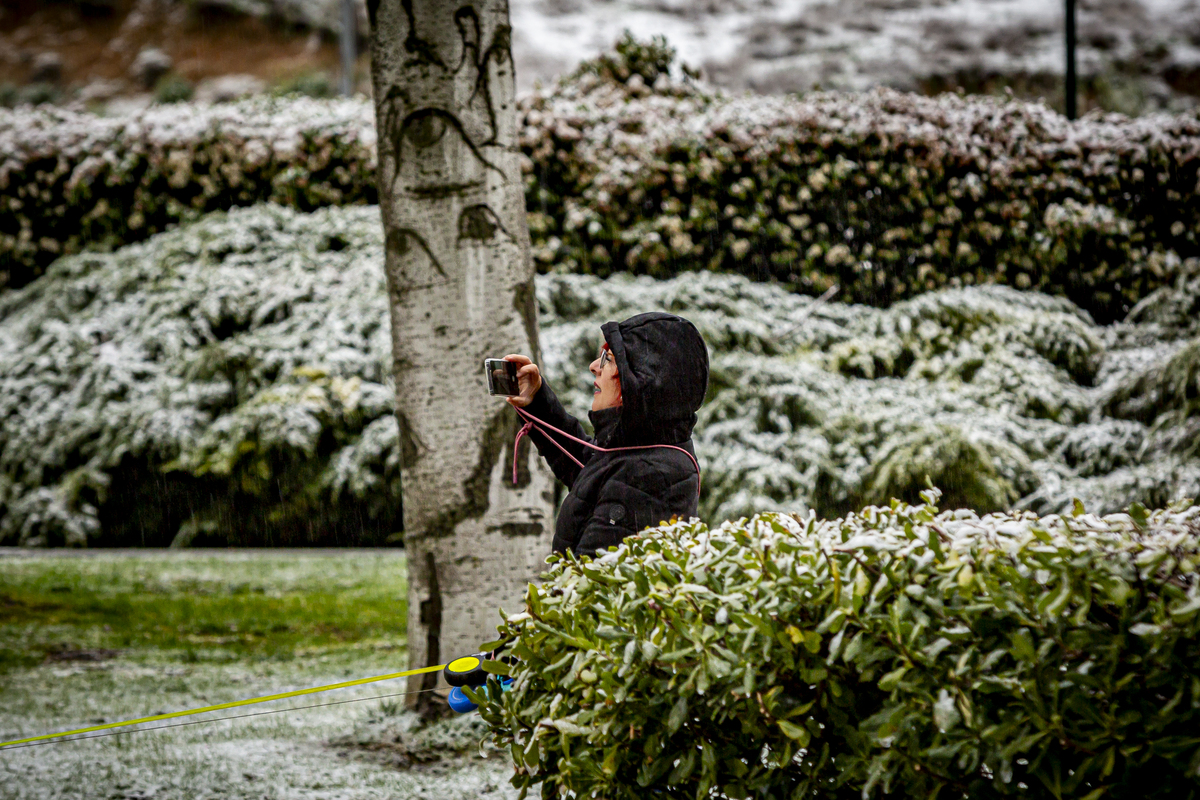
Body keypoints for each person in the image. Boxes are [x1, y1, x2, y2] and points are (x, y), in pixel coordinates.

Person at [502, 312, 709, 558]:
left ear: (642, 380)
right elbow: (587, 467)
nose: (594, 367)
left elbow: (590, 583)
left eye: (607, 358)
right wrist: (536, 401)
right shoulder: (643, 449)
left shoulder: (650, 475)